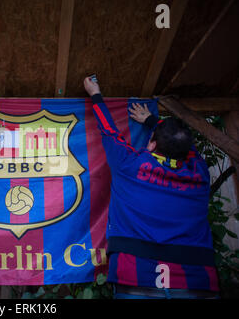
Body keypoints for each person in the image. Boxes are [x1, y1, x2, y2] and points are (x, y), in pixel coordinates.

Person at [83, 77, 219, 299]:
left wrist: (94, 93)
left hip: (136, 277)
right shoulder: (200, 174)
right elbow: (186, 145)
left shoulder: (129, 164)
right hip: (196, 279)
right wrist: (152, 121)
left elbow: (108, 131)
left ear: (152, 144)